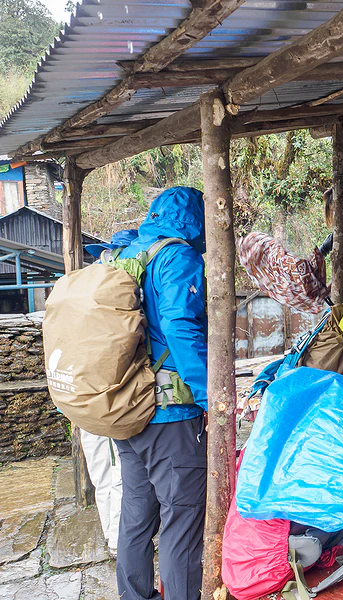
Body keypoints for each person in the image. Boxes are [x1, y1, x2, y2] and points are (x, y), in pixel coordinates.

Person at [113, 187, 208, 600]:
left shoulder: (127, 252)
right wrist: (211, 399)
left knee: (136, 518)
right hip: (169, 417)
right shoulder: (177, 256)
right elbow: (179, 328)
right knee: (182, 522)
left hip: (127, 407)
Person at [79, 228, 140, 555]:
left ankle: (116, 537)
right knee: (118, 474)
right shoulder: (120, 296)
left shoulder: (82, 294)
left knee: (104, 473)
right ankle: (121, 542)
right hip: (108, 400)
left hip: (81, 398)